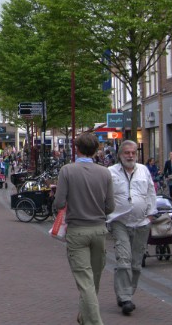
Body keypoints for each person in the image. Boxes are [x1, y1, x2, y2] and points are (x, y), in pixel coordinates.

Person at [53, 133, 114, 325]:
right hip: (99, 230)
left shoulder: (67, 171)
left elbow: (59, 203)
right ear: (96, 150)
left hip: (78, 230)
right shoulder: (105, 173)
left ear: (76, 149)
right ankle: (84, 315)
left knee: (85, 281)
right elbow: (110, 206)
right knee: (93, 279)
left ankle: (94, 322)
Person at [106, 140, 156, 316]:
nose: (130, 156)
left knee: (136, 264)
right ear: (120, 155)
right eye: (127, 153)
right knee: (123, 259)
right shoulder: (110, 172)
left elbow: (151, 192)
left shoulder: (143, 170)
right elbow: (104, 195)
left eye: (133, 153)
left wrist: (150, 214)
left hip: (141, 223)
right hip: (119, 221)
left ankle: (126, 293)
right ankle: (125, 297)